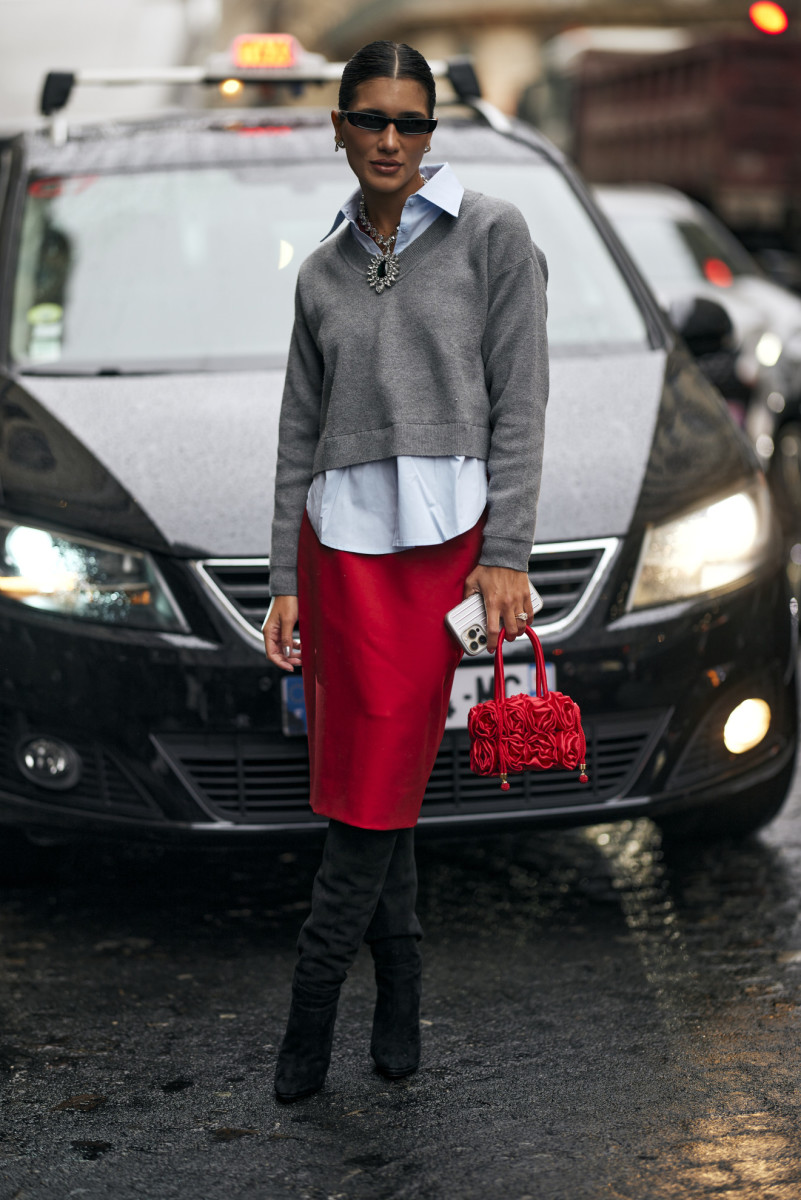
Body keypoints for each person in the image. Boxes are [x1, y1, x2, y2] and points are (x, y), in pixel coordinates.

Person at [263, 39, 549, 1103]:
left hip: (442, 559)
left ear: (434, 132)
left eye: (411, 122)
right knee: (371, 788)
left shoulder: (493, 235)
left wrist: (507, 554)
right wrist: (281, 582)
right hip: (337, 557)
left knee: (372, 790)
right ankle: (398, 992)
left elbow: (521, 402)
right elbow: (299, 430)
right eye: (371, 119)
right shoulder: (321, 268)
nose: (391, 139)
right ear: (338, 127)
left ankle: (310, 1010)